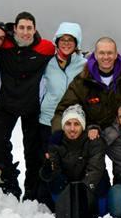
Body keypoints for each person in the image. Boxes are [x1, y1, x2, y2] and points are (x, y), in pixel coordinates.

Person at [0, 12, 55, 200]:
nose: (25, 32)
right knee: (0, 145)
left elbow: (66, 54)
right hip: (6, 104)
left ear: (35, 29)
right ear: (15, 28)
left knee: (32, 151)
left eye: (29, 28)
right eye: (22, 27)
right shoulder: (4, 44)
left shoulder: (45, 49)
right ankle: (9, 183)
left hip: (32, 107)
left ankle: (31, 190)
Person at [52, 37, 121, 133]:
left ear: (116, 55)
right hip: (93, 136)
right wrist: (58, 131)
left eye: (110, 53)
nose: (106, 57)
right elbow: (62, 110)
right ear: (95, 55)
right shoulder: (82, 81)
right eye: (101, 53)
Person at [38, 22, 88, 201]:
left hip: (73, 122)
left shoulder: (84, 65)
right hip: (47, 119)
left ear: (77, 43)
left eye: (70, 40)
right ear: (57, 41)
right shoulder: (48, 63)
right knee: (47, 160)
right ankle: (45, 199)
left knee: (70, 161)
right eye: (62, 39)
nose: (66, 43)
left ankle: (69, 197)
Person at [40, 105, 110, 218]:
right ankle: (63, 215)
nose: (72, 129)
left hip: (88, 186)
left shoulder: (93, 140)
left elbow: (96, 169)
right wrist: (48, 168)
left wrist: (83, 193)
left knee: (101, 182)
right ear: (63, 125)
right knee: (54, 182)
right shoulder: (56, 142)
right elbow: (53, 171)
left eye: (76, 124)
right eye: (68, 124)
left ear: (83, 126)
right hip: (68, 186)